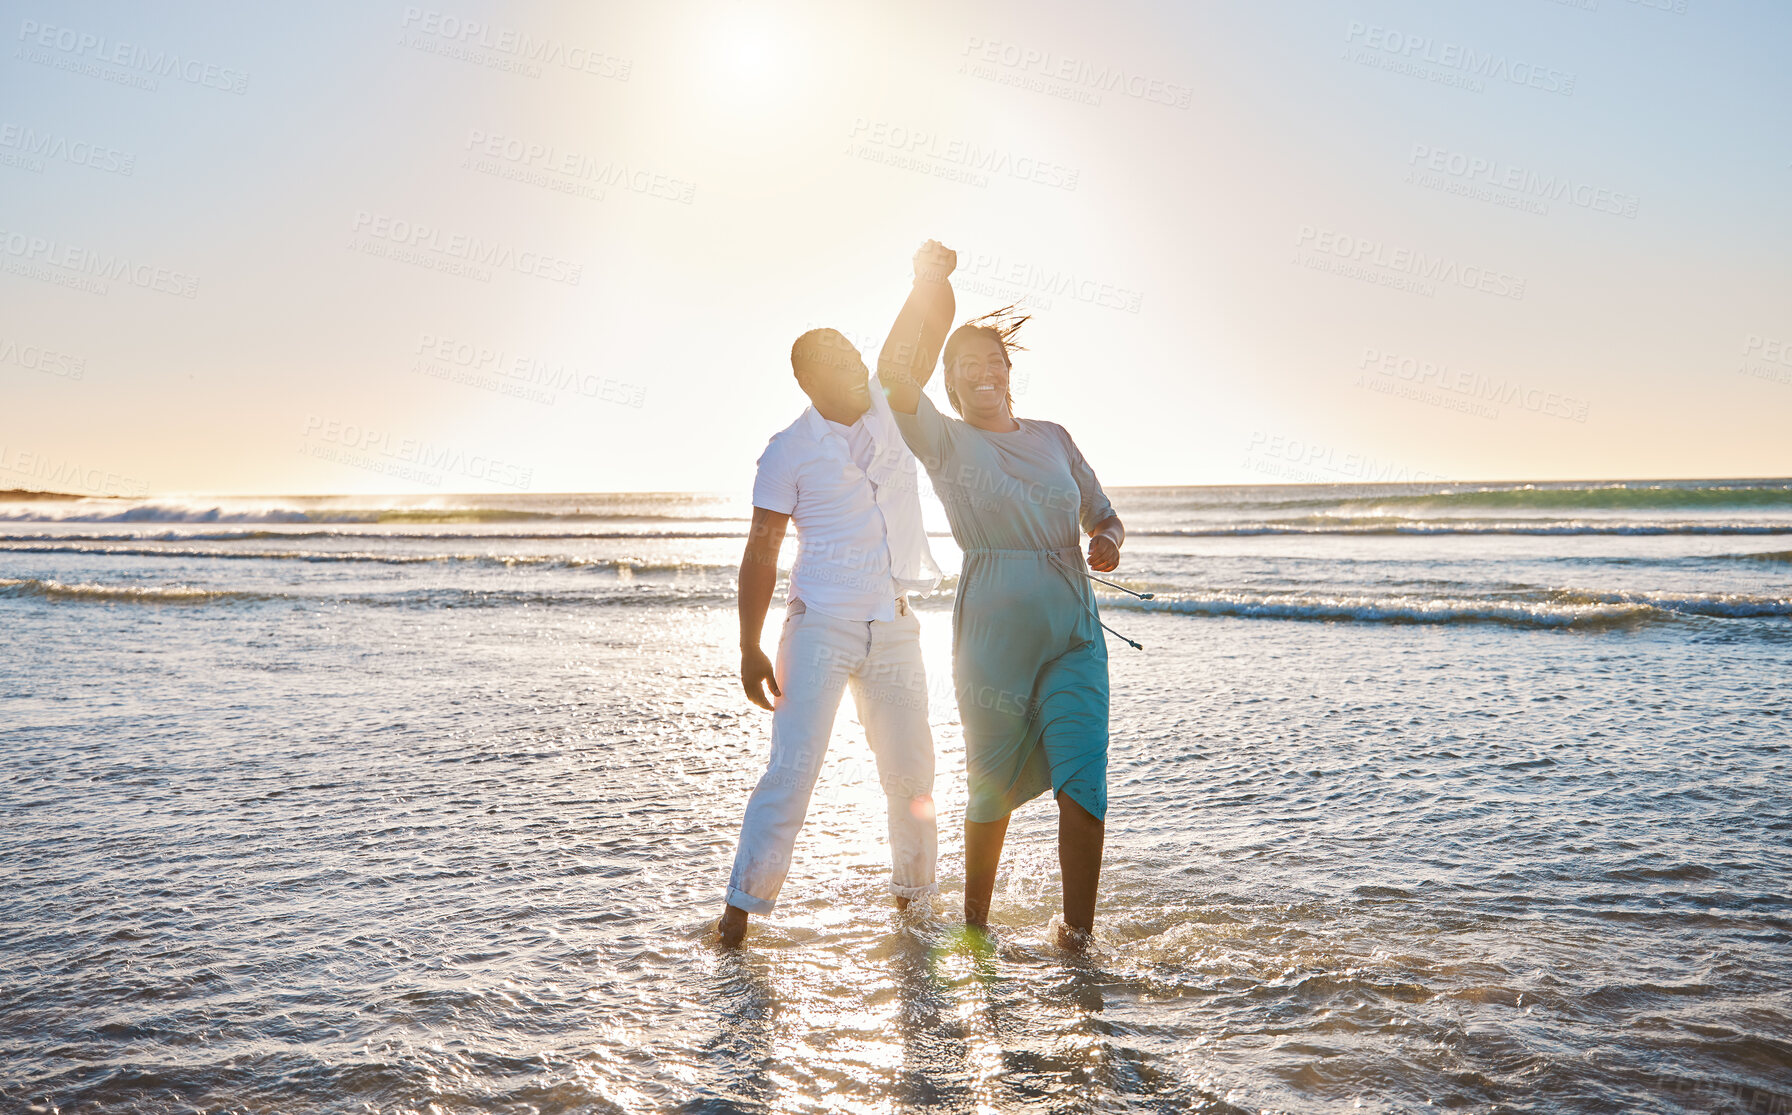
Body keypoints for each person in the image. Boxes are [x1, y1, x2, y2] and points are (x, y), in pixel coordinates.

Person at [717, 242, 960, 948]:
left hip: (894, 624)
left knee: (913, 775)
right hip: (817, 626)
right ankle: (737, 916)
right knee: (792, 773)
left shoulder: (888, 402)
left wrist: (931, 279)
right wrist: (748, 643)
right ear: (808, 380)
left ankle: (917, 912)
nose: (858, 368)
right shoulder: (787, 449)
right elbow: (761, 552)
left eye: (857, 357)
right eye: (841, 365)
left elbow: (927, 326)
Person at [882, 254, 1126, 950]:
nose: (983, 371)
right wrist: (929, 290)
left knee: (1084, 782)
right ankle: (975, 929)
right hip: (992, 637)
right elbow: (895, 375)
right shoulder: (942, 441)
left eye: (994, 360)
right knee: (988, 788)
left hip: (1073, 630)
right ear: (950, 381)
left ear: (1009, 372)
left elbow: (1103, 514)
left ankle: (1077, 938)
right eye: (965, 364)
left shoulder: (1054, 438)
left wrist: (1106, 541)